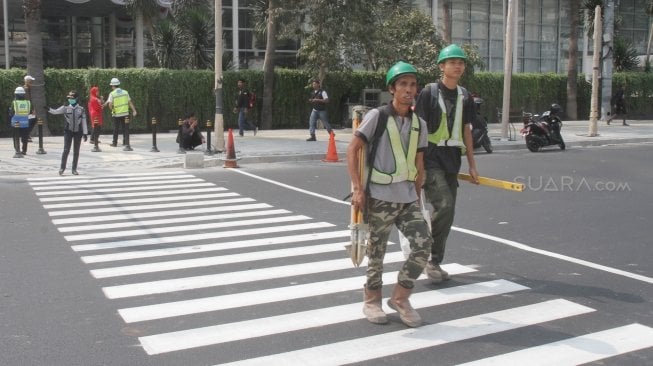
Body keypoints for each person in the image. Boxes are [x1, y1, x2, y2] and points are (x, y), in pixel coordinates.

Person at [347, 61, 432, 328]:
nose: (409, 89)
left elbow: (419, 165)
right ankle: (371, 300)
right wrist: (358, 189)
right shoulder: (378, 116)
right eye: (403, 84)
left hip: (407, 198)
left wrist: (417, 197)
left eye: (412, 84)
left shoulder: (419, 124)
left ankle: (400, 297)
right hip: (380, 197)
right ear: (392, 88)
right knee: (377, 253)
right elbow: (353, 150)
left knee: (423, 246)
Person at [414, 44, 480, 284]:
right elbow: (417, 129)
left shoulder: (465, 96)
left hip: (452, 159)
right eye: (452, 62)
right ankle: (427, 256)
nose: (458, 66)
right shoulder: (428, 93)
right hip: (430, 157)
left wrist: (472, 165)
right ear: (442, 66)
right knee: (445, 205)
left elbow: (466, 131)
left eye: (461, 62)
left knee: (448, 212)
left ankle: (433, 259)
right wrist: (416, 166)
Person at [48, 91, 88, 176]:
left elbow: (84, 121)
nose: (70, 99)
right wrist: (48, 109)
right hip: (68, 131)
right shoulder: (65, 108)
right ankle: (62, 168)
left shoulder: (81, 109)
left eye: (72, 98)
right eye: (69, 98)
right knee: (66, 150)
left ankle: (74, 169)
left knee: (76, 151)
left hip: (78, 132)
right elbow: (55, 112)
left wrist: (85, 133)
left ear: (76, 99)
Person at [104, 77, 137, 147]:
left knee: (116, 129)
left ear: (112, 86)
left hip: (116, 114)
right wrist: (134, 110)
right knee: (125, 128)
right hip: (125, 113)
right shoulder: (125, 92)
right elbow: (130, 102)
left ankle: (114, 143)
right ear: (118, 84)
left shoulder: (112, 94)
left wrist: (112, 109)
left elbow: (110, 105)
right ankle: (126, 142)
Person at [8, 86, 34, 155]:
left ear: (16, 94)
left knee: (16, 137)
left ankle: (17, 150)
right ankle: (24, 151)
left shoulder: (14, 102)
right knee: (25, 138)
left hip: (15, 123)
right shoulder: (28, 103)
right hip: (25, 123)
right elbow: (31, 112)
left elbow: (11, 112)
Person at [23, 75, 37, 141]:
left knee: (30, 121)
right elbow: (28, 100)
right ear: (27, 81)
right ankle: (26, 135)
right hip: (27, 109)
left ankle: (26, 134)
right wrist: (32, 110)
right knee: (33, 119)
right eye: (31, 81)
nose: (32, 83)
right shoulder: (26, 89)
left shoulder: (27, 88)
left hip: (27, 108)